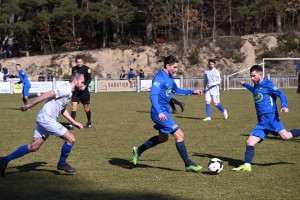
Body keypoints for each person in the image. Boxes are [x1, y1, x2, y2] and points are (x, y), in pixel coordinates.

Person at [0, 73, 85, 177]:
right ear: (75, 81)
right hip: (46, 119)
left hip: (45, 118)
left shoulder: (68, 92)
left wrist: (74, 122)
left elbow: (62, 108)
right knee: (71, 139)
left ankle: (4, 160)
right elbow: (47, 94)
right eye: (82, 82)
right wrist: (30, 105)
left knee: (34, 147)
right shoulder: (66, 89)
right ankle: (62, 164)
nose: (83, 85)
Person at [132, 55, 203, 172]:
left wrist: (193, 92)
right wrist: (159, 112)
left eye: (177, 67)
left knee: (163, 138)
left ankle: (138, 150)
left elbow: (176, 90)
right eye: (174, 67)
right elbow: (153, 95)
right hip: (159, 113)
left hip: (165, 113)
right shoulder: (159, 77)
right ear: (168, 66)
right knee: (180, 135)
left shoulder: (170, 77)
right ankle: (188, 163)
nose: (176, 69)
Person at [232, 65, 300, 172]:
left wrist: (284, 106)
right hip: (261, 122)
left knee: (286, 137)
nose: (252, 78)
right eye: (251, 76)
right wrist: (245, 84)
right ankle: (247, 165)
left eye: (254, 76)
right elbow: (254, 90)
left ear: (260, 74)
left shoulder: (268, 85)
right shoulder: (257, 86)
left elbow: (281, 94)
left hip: (271, 119)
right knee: (249, 142)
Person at [68, 56, 92, 129]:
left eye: (80, 62)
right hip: (76, 92)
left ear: (82, 61)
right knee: (73, 107)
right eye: (78, 62)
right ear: (76, 62)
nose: (79, 63)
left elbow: (89, 79)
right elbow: (72, 79)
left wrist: (85, 86)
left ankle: (89, 122)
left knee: (86, 108)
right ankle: (72, 123)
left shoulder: (87, 69)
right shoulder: (73, 69)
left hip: (84, 92)